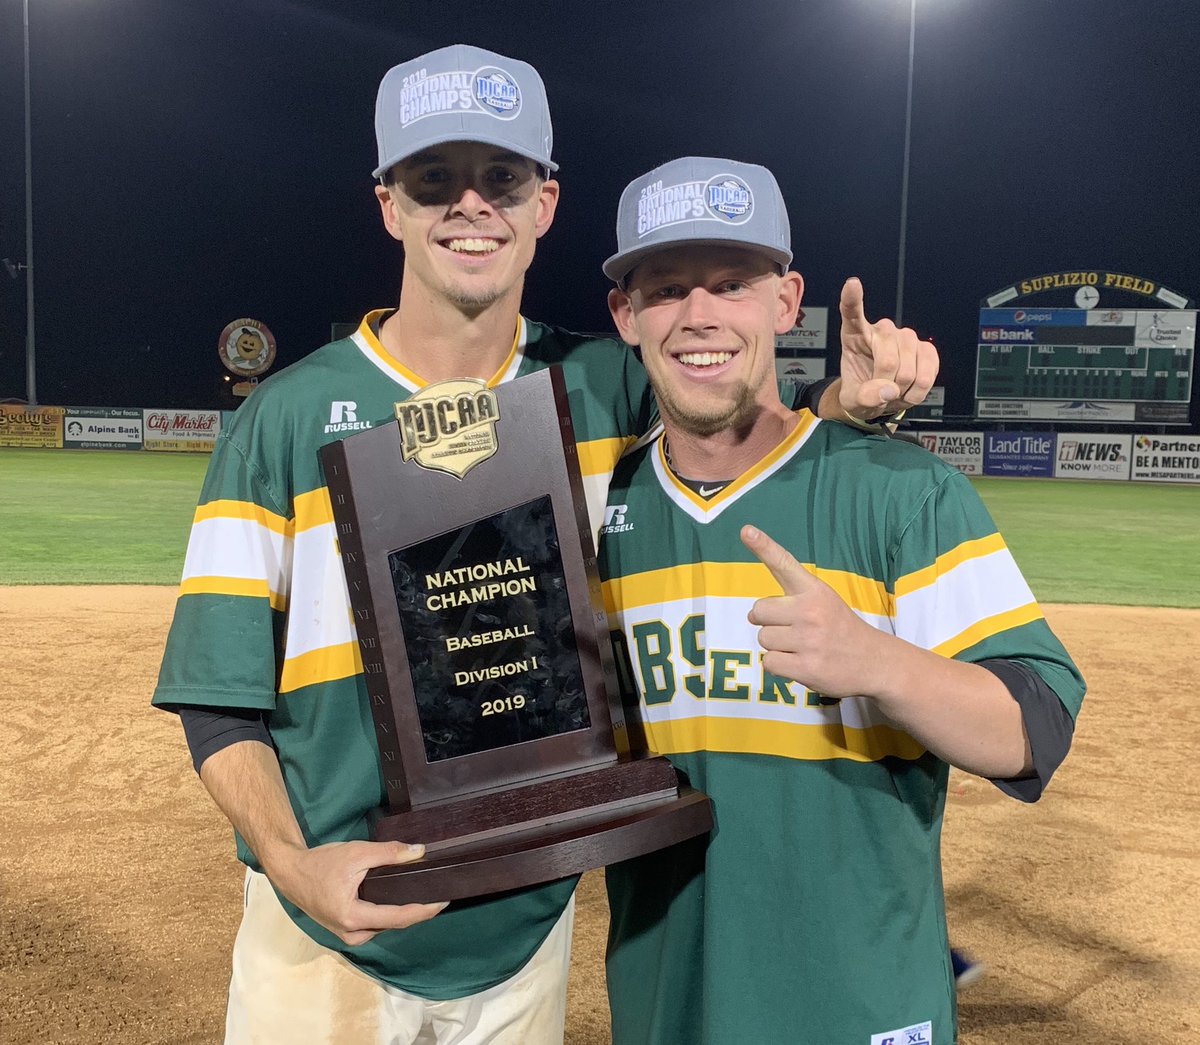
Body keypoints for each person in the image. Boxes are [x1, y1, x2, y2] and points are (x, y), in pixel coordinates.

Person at [152, 46, 937, 1045]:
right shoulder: (285, 419)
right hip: (326, 938)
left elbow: (736, 429)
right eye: (435, 180)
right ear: (389, 205)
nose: (471, 205)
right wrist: (294, 865)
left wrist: (840, 403)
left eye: (502, 179)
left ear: (545, 205)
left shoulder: (605, 387)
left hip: (526, 929)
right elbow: (219, 700)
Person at [597, 156, 1086, 1044]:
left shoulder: (901, 492)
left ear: (786, 303)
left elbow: (1035, 726)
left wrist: (877, 662)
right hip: (665, 1004)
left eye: (732, 284)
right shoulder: (598, 509)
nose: (700, 315)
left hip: (859, 1006)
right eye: (666, 289)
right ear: (626, 316)